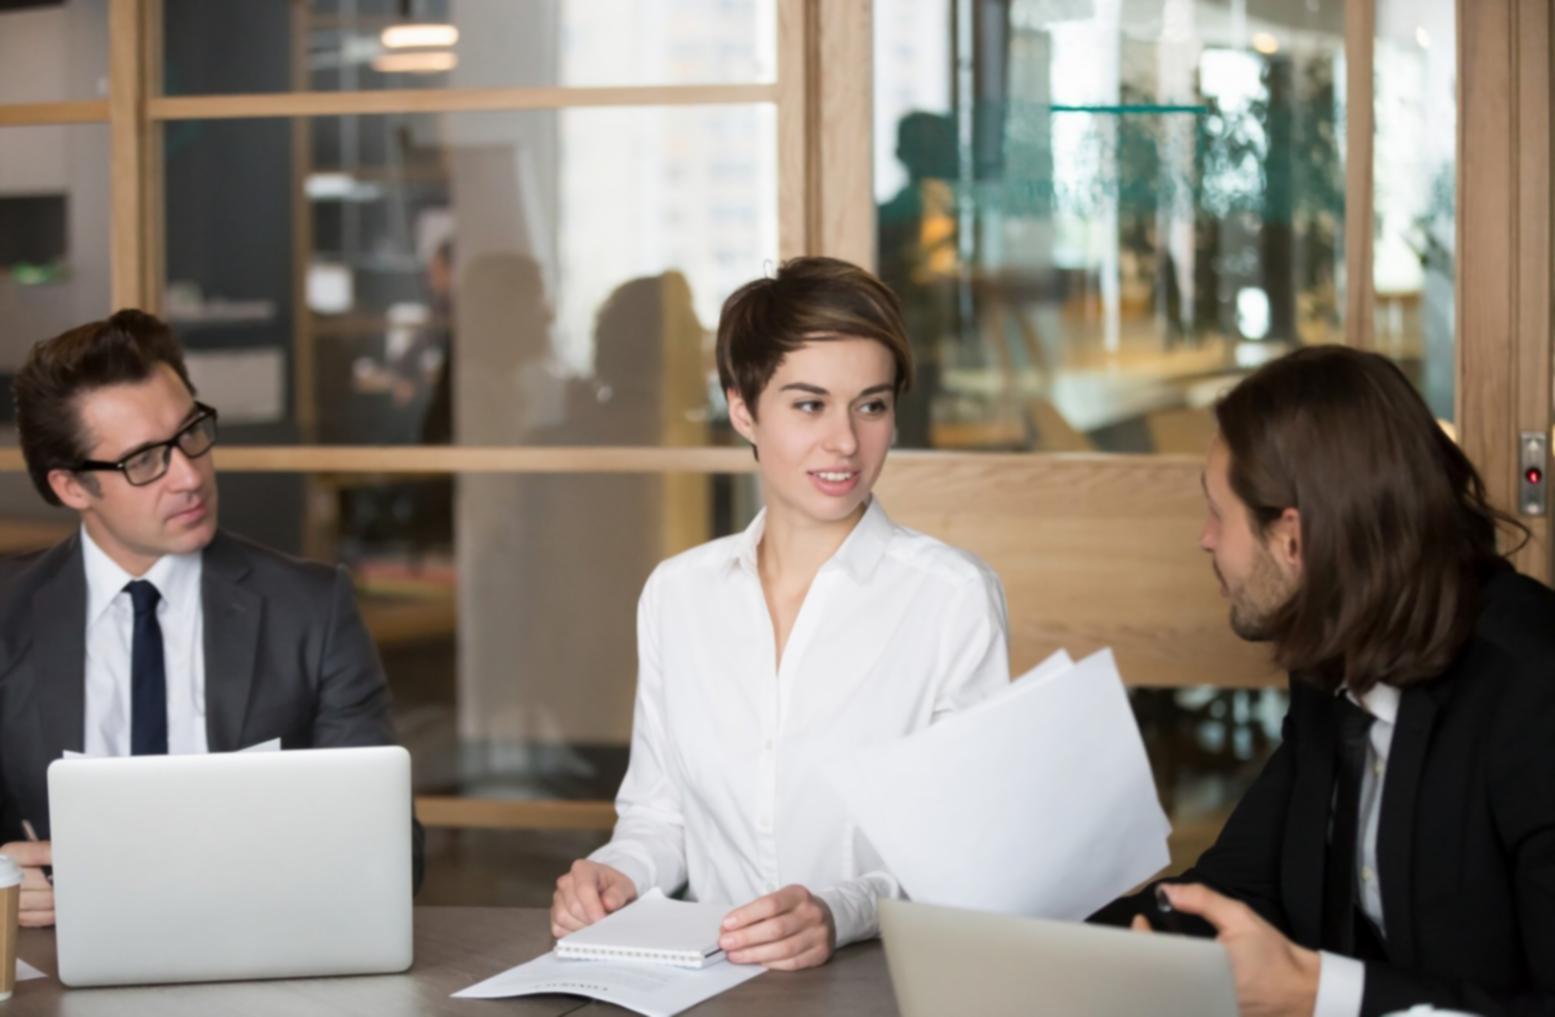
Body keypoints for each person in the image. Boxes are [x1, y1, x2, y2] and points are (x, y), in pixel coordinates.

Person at [549, 256, 1011, 969]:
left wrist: (838, 912)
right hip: (706, 983)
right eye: (808, 404)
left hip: (879, 983)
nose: (844, 442)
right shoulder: (678, 594)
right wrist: (617, 876)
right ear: (741, 409)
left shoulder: (951, 597)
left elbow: (965, 850)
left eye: (871, 404)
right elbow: (658, 816)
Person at [1092, 345, 1555, 1016]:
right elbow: (1240, 888)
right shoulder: (1333, 665)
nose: (1204, 539)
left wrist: (1316, 994)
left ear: (1291, 540)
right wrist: (1048, 952)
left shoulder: (1532, 695)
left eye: (1217, 513)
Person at [0, 310, 425, 927]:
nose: (190, 475)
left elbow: (395, 854)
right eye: (145, 461)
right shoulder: (7, 613)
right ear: (71, 487)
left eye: (192, 433)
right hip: (58, 959)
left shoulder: (310, 608)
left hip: (256, 949)